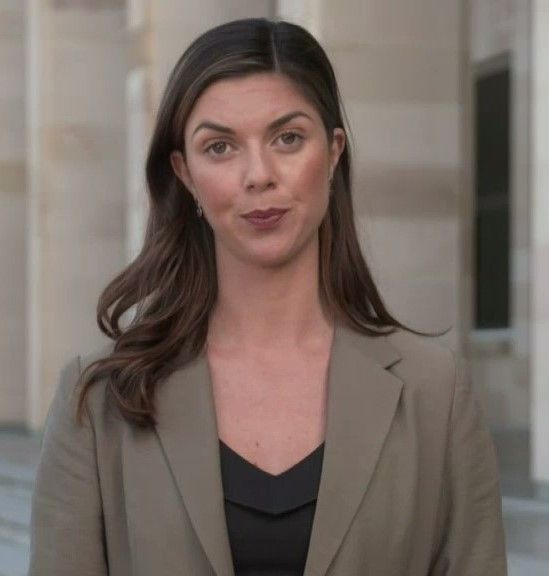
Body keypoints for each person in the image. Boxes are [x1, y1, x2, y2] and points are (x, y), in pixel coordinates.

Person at [28, 17, 508, 576]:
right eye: (220, 147)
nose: (258, 175)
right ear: (185, 173)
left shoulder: (436, 393)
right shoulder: (100, 402)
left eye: (288, 138)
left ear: (333, 152)